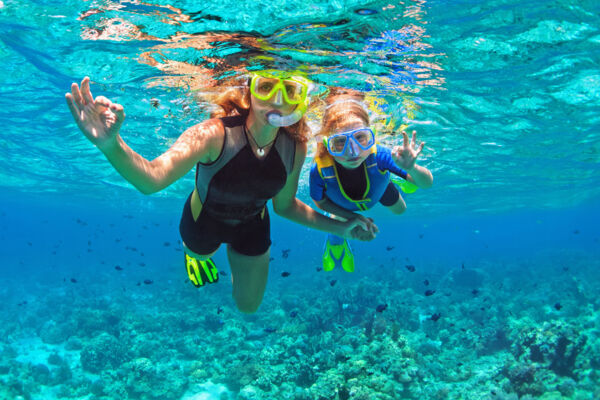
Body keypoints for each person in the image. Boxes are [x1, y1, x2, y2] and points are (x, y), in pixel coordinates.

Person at [65, 72, 376, 313]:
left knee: (248, 307)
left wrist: (342, 227)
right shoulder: (214, 133)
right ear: (249, 92)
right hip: (204, 220)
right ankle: (193, 255)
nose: (278, 100)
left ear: (299, 99)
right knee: (200, 254)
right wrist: (110, 144)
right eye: (266, 87)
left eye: (290, 91)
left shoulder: (296, 145)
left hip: (254, 223)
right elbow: (152, 180)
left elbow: (285, 207)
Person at [309, 92, 433, 272]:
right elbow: (319, 202)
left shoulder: (381, 155)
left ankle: (402, 177)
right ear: (328, 144)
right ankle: (336, 243)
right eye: (340, 142)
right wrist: (354, 217)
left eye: (360, 138)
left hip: (378, 189)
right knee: (339, 222)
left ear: (372, 136)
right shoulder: (320, 170)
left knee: (401, 210)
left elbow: (427, 183)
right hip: (342, 205)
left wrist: (411, 168)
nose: (352, 152)